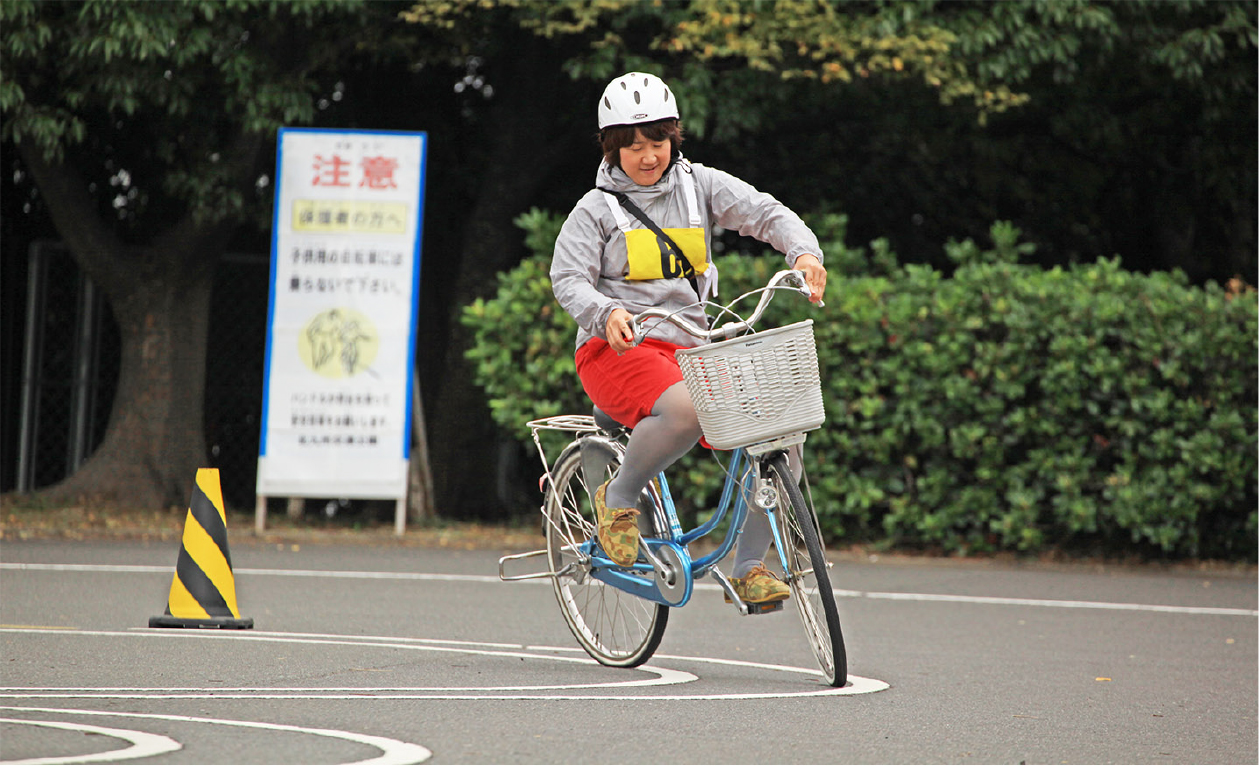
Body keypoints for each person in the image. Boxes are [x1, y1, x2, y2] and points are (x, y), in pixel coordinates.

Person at [550, 71, 827, 605]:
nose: (648, 156)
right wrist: (604, 312)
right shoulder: (595, 209)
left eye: (657, 142)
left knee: (781, 433)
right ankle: (620, 496)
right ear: (611, 149)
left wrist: (804, 252)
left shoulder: (699, 185)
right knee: (685, 410)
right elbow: (568, 279)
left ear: (674, 138)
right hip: (618, 348)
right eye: (633, 147)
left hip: (691, 346)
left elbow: (764, 212)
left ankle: (749, 566)